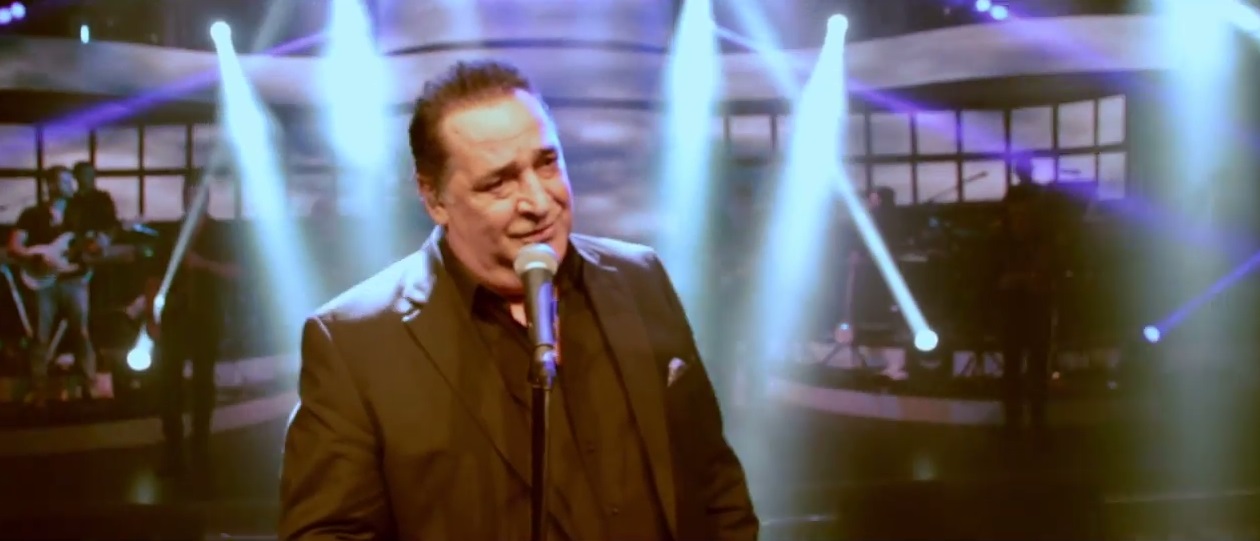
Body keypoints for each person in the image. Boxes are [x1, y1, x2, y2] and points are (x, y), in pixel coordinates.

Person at [280, 60, 758, 541]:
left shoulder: (639, 278)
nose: (539, 201)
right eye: (499, 183)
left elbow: (715, 485)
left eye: (547, 163)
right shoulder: (355, 342)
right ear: (434, 198)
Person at [145, 177, 240, 475]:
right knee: (169, 382)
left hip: (207, 316)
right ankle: (173, 446)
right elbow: (153, 277)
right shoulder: (170, 233)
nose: (193, 201)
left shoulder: (221, 232)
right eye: (189, 196)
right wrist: (151, 316)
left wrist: (203, 265)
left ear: (207, 199)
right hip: (174, 317)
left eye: (198, 196)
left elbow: (238, 271)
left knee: (203, 382)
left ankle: (200, 443)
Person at [6, 166, 97, 406]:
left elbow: (91, 245)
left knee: (82, 333)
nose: (70, 185)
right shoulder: (31, 214)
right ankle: (39, 391)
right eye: (64, 181)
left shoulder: (81, 214)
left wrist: (95, 246)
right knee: (40, 336)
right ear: (52, 185)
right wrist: (36, 258)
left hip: (74, 280)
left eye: (70, 181)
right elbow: (14, 246)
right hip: (43, 283)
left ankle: (90, 386)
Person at [996, 183, 1053, 432]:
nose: (1022, 219)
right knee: (1015, 367)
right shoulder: (1002, 241)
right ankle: (1020, 422)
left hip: (1034, 309)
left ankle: (1029, 422)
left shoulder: (1043, 240)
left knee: (1034, 367)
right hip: (1015, 310)